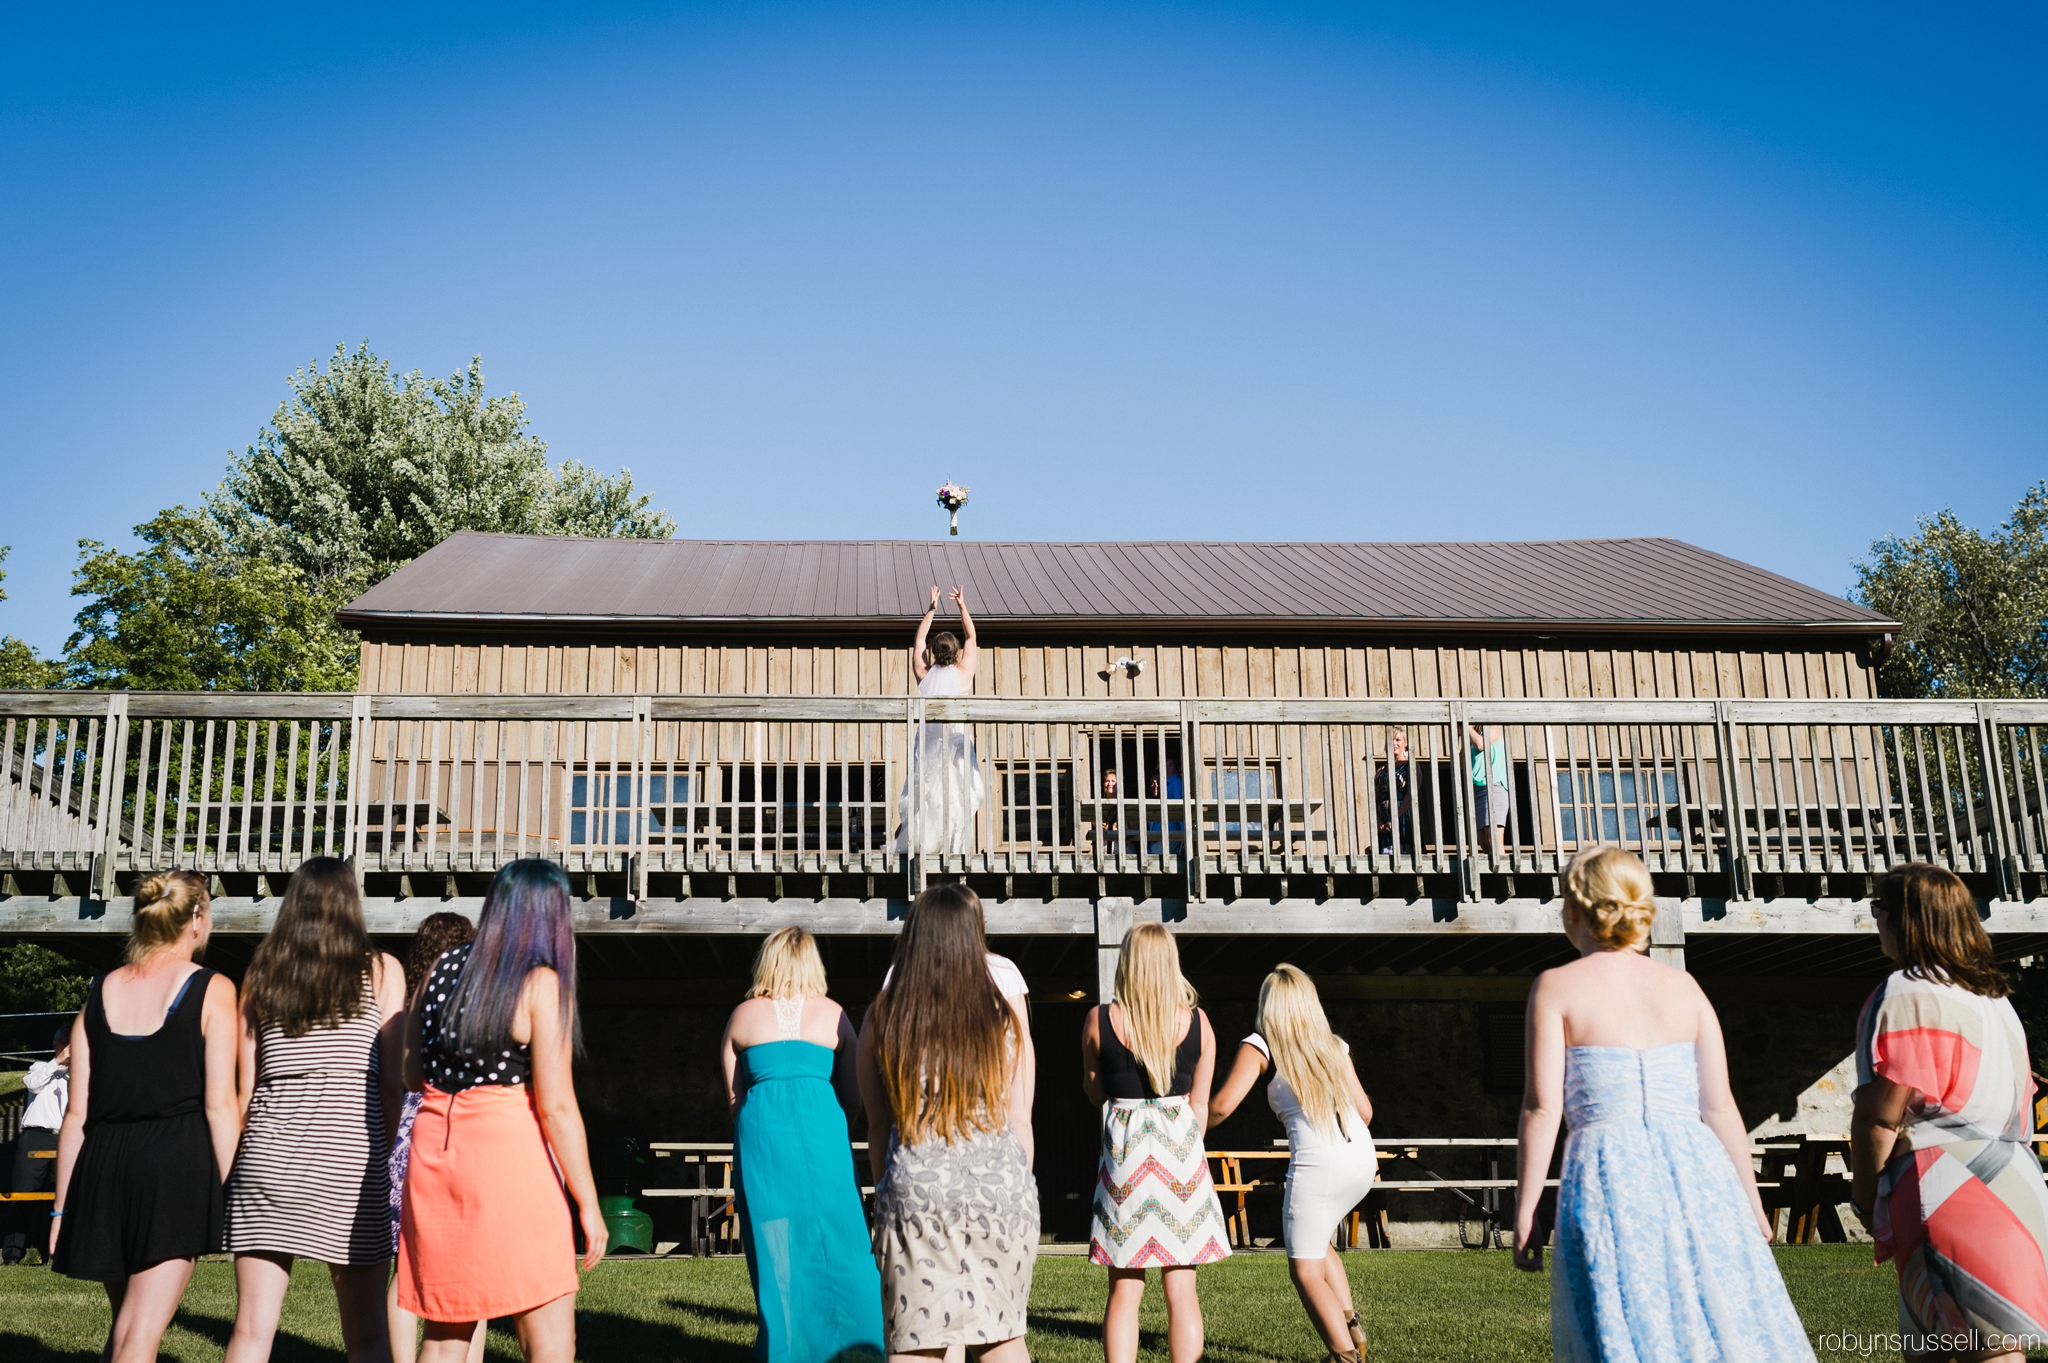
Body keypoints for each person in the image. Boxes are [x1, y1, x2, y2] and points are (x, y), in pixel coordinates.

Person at [1513, 847, 1813, 1362]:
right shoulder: (1685, 987)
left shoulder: (1556, 987)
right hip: (1699, 1172)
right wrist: (1750, 1201)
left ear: (1577, 909)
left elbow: (1543, 1109)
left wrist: (1524, 1211)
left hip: (1610, 1174)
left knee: (1622, 1317)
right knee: (1717, 1319)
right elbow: (1719, 1108)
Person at [398, 860, 607, 1363]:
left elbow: (410, 1074)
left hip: (436, 1158)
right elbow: (555, 1106)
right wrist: (589, 1204)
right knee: (550, 1336)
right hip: (508, 1160)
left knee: (447, 1333)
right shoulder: (540, 983)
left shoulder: (440, 970)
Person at [1851, 863, 2048, 1362]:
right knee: (1997, 1346)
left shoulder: (1906, 990)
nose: (1876, 920)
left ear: (1907, 919)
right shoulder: (1994, 998)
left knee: (1949, 1349)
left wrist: (1863, 1195)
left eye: (1881, 910)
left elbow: (1882, 1113)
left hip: (1945, 1181)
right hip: (2016, 1178)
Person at [50, 869, 241, 1363]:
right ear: (196, 920)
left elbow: (77, 1115)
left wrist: (60, 1208)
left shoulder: (102, 991)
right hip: (173, 1168)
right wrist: (233, 1194)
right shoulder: (212, 987)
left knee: (127, 1328)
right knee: (139, 1337)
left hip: (103, 1167)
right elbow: (220, 1105)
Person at [224, 857, 407, 1363]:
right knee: (368, 1336)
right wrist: (386, 1155)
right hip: (349, 1158)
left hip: (267, 1154)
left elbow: (247, 1086)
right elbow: (392, 1082)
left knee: (251, 1330)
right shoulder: (381, 969)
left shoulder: (261, 974)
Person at [858, 884, 1037, 1362]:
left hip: (917, 1184)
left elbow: (877, 1122)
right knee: (1001, 1339)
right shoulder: (1004, 1016)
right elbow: (1021, 1115)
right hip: (999, 1187)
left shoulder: (885, 1016)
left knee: (919, 1344)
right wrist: (1021, 1183)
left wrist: (885, 1192)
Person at [721, 926, 884, 1363]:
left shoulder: (742, 1016)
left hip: (763, 1145)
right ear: (814, 963)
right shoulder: (833, 1014)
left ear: (767, 962)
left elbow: (735, 1098)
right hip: (823, 1139)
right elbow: (853, 1097)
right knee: (844, 1237)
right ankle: (865, 1343)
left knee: (775, 1245)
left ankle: (787, 1347)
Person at [1208, 964, 1376, 1363]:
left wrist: (1187, 1127)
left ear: (1270, 1006)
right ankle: (1352, 1327)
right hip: (1360, 1158)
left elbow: (1220, 1107)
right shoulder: (1334, 1045)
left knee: (1303, 1270)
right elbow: (1366, 1111)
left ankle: (1344, 1356)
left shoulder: (1260, 1045)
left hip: (1320, 1166)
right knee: (1319, 1245)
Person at [1082, 923, 1228, 1363]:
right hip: (1179, 1157)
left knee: (1125, 1290)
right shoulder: (1198, 1023)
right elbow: (1200, 1105)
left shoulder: (1099, 1019)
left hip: (1126, 1159)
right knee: (1181, 1288)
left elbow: (1093, 1093)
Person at [386, 912, 484, 1363]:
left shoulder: (412, 1002)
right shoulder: (479, 1003)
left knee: (405, 1264)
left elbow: (405, 1078)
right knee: (472, 1262)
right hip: (461, 1130)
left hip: (411, 1132)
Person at [896, 585, 984, 855]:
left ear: (933, 651)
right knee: (958, 791)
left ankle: (923, 843)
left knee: (927, 792)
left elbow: (918, 641)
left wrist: (931, 609)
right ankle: (953, 845)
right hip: (956, 740)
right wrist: (962, 606)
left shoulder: (924, 674)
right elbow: (972, 635)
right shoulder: (964, 673)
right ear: (956, 650)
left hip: (929, 743)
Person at [2, 1025, 71, 1264]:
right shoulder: (40, 1067)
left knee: (59, 1198)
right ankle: (12, 1253)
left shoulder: (81, 1074)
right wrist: (58, 1062)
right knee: (23, 1194)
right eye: (66, 1043)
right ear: (56, 1045)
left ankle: (53, 1252)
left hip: (65, 1137)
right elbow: (32, 1084)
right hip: (36, 1135)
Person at [1469, 723, 1510, 853]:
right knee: (1484, 842)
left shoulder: (1493, 729)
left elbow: (1481, 745)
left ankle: (1502, 872)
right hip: (1477, 790)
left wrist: (1467, 728)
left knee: (1494, 841)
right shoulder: (1471, 739)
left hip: (1494, 787)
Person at [1374, 730, 1413, 855]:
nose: (1394, 743)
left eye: (1398, 740)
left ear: (1405, 743)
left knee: (1404, 854)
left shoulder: (1410, 766)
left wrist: (1395, 818)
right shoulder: (1381, 770)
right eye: (1391, 740)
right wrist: (1379, 821)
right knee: (1385, 858)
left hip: (1403, 818)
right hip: (1383, 823)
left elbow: (1411, 795)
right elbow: (1375, 797)